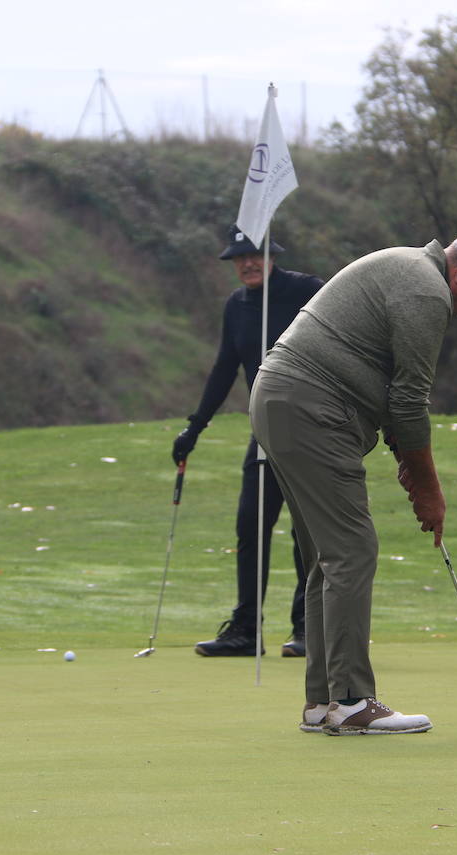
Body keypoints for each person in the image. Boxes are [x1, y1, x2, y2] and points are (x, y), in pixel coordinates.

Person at [249, 232, 457, 735]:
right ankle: (351, 701)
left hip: (282, 400)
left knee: (328, 558)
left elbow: (391, 393)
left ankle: (323, 703)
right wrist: (429, 489)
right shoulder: (426, 291)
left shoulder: (404, 268)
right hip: (312, 406)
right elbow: (410, 399)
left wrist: (406, 460)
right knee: (353, 551)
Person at [172, 224, 324, 658]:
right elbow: (224, 369)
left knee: (305, 531)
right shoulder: (237, 306)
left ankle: (307, 626)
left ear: (272, 254)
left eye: (255, 254)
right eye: (240, 258)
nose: (248, 263)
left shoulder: (306, 291)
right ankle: (245, 630)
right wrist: (195, 427)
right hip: (265, 430)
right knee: (250, 525)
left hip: (311, 426)